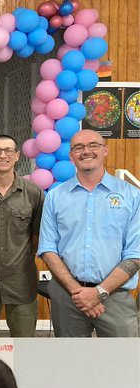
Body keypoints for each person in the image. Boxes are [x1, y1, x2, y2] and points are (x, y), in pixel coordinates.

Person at [37, 129, 140, 337]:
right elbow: (48, 248)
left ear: (105, 151)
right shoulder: (56, 196)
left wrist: (99, 292)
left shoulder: (131, 195)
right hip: (67, 296)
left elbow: (135, 254)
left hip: (115, 297)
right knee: (70, 363)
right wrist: (78, 292)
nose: (86, 151)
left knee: (123, 363)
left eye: (93, 145)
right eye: (78, 147)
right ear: (71, 155)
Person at [0, 135, 45, 337]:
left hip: (21, 283)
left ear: (17, 156)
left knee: (24, 347)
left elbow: (37, 237)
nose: (2, 155)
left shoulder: (33, 193)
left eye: (8, 150)